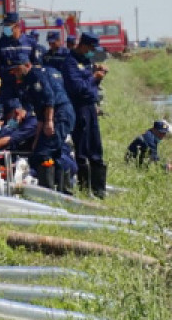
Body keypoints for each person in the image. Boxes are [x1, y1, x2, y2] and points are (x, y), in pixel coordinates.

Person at [7, 51, 76, 190]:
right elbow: (39, 113)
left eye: (17, 69)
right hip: (51, 115)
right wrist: (37, 139)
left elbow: (49, 98)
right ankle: (64, 188)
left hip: (59, 114)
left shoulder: (36, 75)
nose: (15, 72)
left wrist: (49, 121)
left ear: (27, 65)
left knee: (44, 153)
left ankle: (49, 189)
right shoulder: (27, 81)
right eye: (12, 70)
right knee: (51, 152)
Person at [60, 31, 109, 198]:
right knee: (82, 148)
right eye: (91, 48)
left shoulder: (86, 61)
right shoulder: (70, 63)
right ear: (83, 45)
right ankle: (84, 188)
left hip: (90, 107)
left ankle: (99, 189)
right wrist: (94, 78)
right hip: (78, 107)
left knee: (96, 146)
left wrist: (99, 77)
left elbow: (91, 89)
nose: (92, 52)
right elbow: (77, 88)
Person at [0, 12, 35, 114]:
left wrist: (27, 70)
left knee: (29, 117)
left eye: (8, 25)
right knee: (10, 118)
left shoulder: (30, 42)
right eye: (5, 25)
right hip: (8, 87)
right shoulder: (0, 43)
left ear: (17, 25)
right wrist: (11, 71)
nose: (6, 28)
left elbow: (37, 65)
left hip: (27, 87)